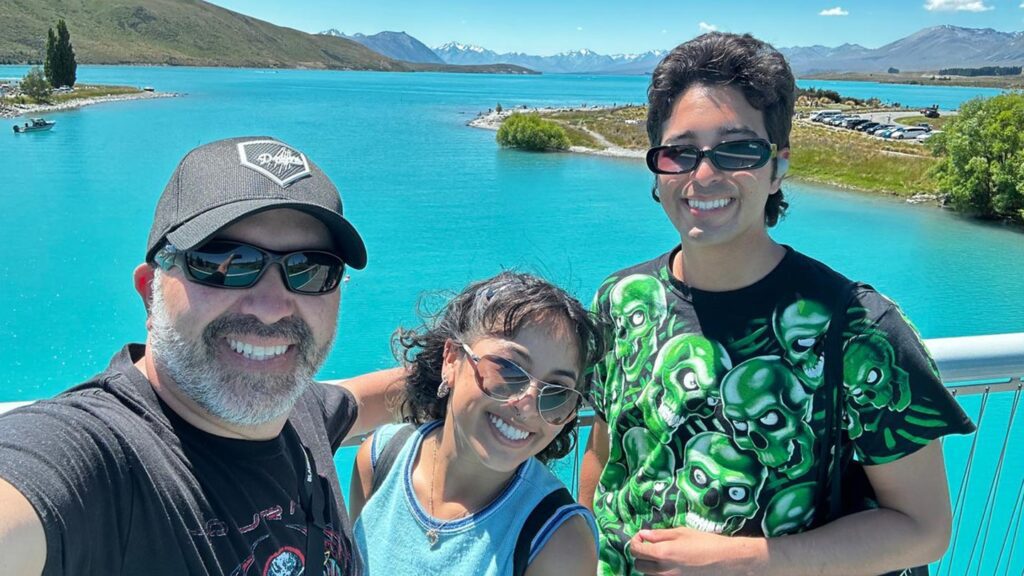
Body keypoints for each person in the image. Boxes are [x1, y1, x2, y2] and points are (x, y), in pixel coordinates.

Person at [579, 33, 975, 575]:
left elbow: (923, 530)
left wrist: (743, 561)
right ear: (657, 168)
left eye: (737, 148)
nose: (704, 175)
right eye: (680, 152)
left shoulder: (861, 329)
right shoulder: (620, 301)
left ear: (777, 166)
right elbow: (605, 458)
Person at [0, 136, 399, 575]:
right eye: (224, 263)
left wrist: (473, 364)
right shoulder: (97, 463)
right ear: (149, 294)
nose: (270, 308)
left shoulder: (302, 413)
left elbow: (379, 396)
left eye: (311, 269)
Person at [349, 272, 602, 576]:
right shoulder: (380, 458)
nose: (528, 405)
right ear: (451, 359)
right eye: (508, 370)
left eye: (556, 393)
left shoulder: (561, 541)